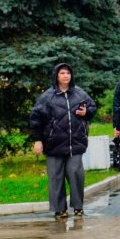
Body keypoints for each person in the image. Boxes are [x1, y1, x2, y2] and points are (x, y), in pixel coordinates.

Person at [28, 63, 98, 218]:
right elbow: (36, 119)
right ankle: (60, 209)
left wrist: (86, 112)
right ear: (56, 76)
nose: (66, 76)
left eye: (68, 73)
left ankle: (78, 206)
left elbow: (92, 108)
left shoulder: (79, 93)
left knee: (76, 174)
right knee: (56, 177)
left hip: (76, 143)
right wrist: (38, 140)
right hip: (53, 143)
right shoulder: (47, 96)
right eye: (62, 73)